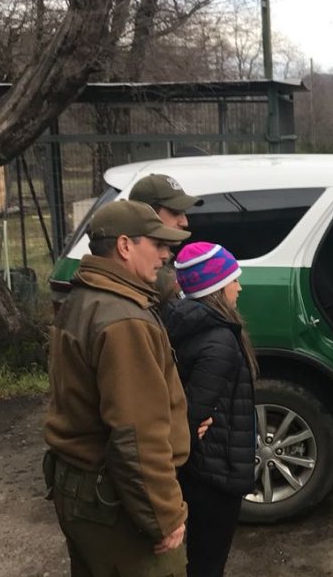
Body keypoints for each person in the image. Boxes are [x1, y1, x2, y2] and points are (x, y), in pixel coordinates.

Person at [43, 200, 192, 577]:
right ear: (125, 246)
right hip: (113, 502)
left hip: (78, 490)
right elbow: (135, 435)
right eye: (157, 244)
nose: (165, 254)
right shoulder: (123, 318)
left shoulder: (83, 298)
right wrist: (165, 515)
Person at [161, 242, 258, 577]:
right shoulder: (218, 342)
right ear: (216, 288)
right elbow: (191, 414)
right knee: (207, 564)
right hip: (214, 474)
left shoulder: (186, 326)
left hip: (202, 468)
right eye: (234, 280)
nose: (239, 287)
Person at [129, 173, 203, 301]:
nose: (184, 222)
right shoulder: (146, 273)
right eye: (175, 212)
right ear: (147, 212)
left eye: (184, 212)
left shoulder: (159, 267)